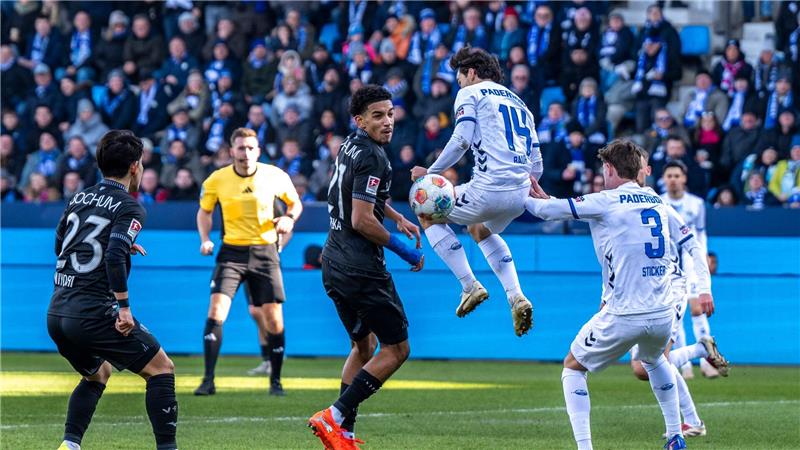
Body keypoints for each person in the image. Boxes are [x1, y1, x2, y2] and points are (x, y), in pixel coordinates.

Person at [525, 140, 700, 450]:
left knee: (572, 368)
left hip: (625, 313)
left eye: (603, 168)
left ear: (609, 169)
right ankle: (676, 435)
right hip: (662, 313)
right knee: (655, 359)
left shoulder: (606, 200)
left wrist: (515, 192)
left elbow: (546, 211)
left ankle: (585, 447)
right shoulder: (657, 201)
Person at [308, 85, 424, 450]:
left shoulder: (349, 145)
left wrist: (395, 216)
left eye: (390, 113)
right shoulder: (375, 157)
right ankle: (334, 415)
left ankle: (343, 435)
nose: (387, 121)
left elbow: (359, 197)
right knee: (396, 348)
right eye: (378, 115)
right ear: (360, 120)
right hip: (361, 268)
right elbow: (361, 219)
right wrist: (407, 251)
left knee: (363, 347)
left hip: (334, 261)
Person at [47, 130, 177, 450]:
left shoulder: (79, 198)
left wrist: (115, 245)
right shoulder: (129, 206)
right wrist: (123, 307)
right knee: (162, 369)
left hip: (57, 311)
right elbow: (114, 255)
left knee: (98, 374)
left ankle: (70, 445)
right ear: (135, 167)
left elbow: (61, 246)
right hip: (92, 311)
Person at [410, 46, 542, 337]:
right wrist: (530, 187)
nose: (458, 82)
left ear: (471, 72)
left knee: (425, 207)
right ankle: (516, 296)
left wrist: (430, 173)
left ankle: (469, 285)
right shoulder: (521, 104)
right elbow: (537, 164)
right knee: (480, 230)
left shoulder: (471, 93)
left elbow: (461, 140)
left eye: (460, 76)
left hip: (488, 188)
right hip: (519, 195)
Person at [195, 128, 303, 397]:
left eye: (250, 148)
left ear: (259, 150)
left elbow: (295, 204)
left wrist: (290, 218)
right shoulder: (216, 180)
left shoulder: (275, 176)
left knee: (273, 320)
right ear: (231, 151)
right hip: (231, 253)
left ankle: (275, 381)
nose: (245, 153)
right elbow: (204, 212)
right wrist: (205, 238)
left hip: (265, 252)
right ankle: (208, 380)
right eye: (240, 148)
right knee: (215, 312)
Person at [630, 150, 729, 440]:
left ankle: (686, 422)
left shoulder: (685, 204)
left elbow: (696, 242)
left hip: (668, 284)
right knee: (648, 365)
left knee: (653, 361)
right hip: (648, 287)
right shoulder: (647, 200)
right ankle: (694, 413)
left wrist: (702, 285)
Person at [660, 160, 718, 379]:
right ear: (664, 179)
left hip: (691, 259)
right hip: (669, 262)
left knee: (696, 308)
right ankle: (684, 367)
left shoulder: (697, 204)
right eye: (669, 176)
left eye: (677, 175)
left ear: (684, 178)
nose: (673, 179)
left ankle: (706, 361)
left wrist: (704, 257)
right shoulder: (658, 202)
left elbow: (701, 233)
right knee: (676, 311)